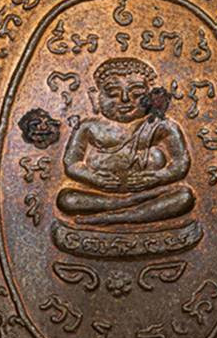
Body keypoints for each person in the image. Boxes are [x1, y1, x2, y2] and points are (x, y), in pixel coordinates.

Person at [57, 58, 194, 226]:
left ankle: (112, 218)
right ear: (95, 96)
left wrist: (157, 177)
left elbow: (180, 163)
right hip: (102, 195)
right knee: (66, 200)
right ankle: (124, 205)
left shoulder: (162, 125)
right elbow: (71, 163)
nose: (125, 99)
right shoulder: (88, 126)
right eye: (113, 93)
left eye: (137, 93)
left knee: (184, 197)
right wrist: (93, 178)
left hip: (151, 191)